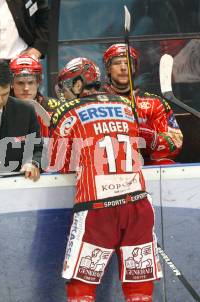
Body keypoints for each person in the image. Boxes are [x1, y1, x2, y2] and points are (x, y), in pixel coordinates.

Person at [50, 58, 162, 302]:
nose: (65, 92)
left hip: (97, 208)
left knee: (81, 286)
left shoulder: (68, 112)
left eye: (68, 85)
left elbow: (57, 163)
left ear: (79, 84)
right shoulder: (125, 106)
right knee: (139, 289)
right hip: (138, 205)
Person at [101, 43, 183, 165]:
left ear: (135, 68)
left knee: (166, 163)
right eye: (117, 63)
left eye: (128, 63)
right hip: (107, 167)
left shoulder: (155, 103)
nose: (124, 68)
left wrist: (153, 139)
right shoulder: (95, 103)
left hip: (147, 167)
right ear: (108, 68)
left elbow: (176, 143)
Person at [9, 54, 58, 137]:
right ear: (11, 84)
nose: (26, 88)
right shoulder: (1, 107)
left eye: (30, 82)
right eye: (20, 83)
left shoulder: (53, 107)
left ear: (38, 83)